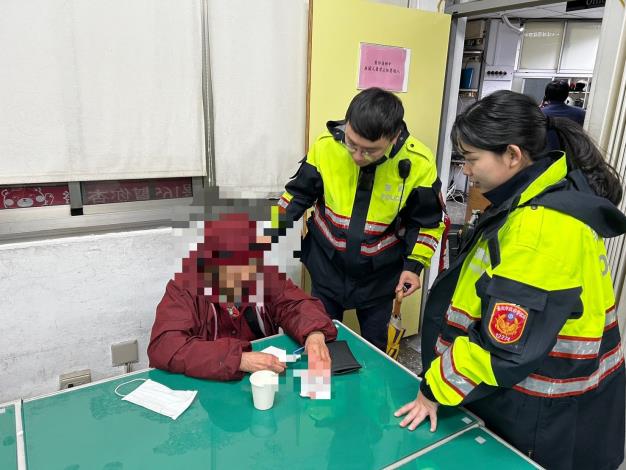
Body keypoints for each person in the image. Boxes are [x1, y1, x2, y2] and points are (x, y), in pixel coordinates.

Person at [395, 90, 626, 470]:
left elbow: (504, 347)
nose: (465, 171)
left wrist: (434, 388)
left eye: (471, 159)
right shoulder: (536, 199)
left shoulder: (541, 228)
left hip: (540, 413)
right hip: (538, 400)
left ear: (513, 155)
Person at [277, 87, 445, 350]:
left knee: (375, 346)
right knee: (320, 338)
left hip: (379, 276)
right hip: (326, 265)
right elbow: (298, 194)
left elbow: (426, 225)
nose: (357, 156)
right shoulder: (326, 146)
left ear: (394, 138)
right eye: (351, 144)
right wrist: (267, 230)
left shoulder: (419, 162)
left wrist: (413, 267)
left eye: (369, 151)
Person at [148, 212, 337, 382]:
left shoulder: (264, 277)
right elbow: (165, 346)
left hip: (264, 381)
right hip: (207, 386)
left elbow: (296, 305)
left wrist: (314, 334)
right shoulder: (184, 289)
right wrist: (239, 359)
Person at [541, 80, 586, 150]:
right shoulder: (581, 113)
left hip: (544, 153)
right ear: (567, 95)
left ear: (546, 95)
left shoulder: (538, 113)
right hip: (572, 152)